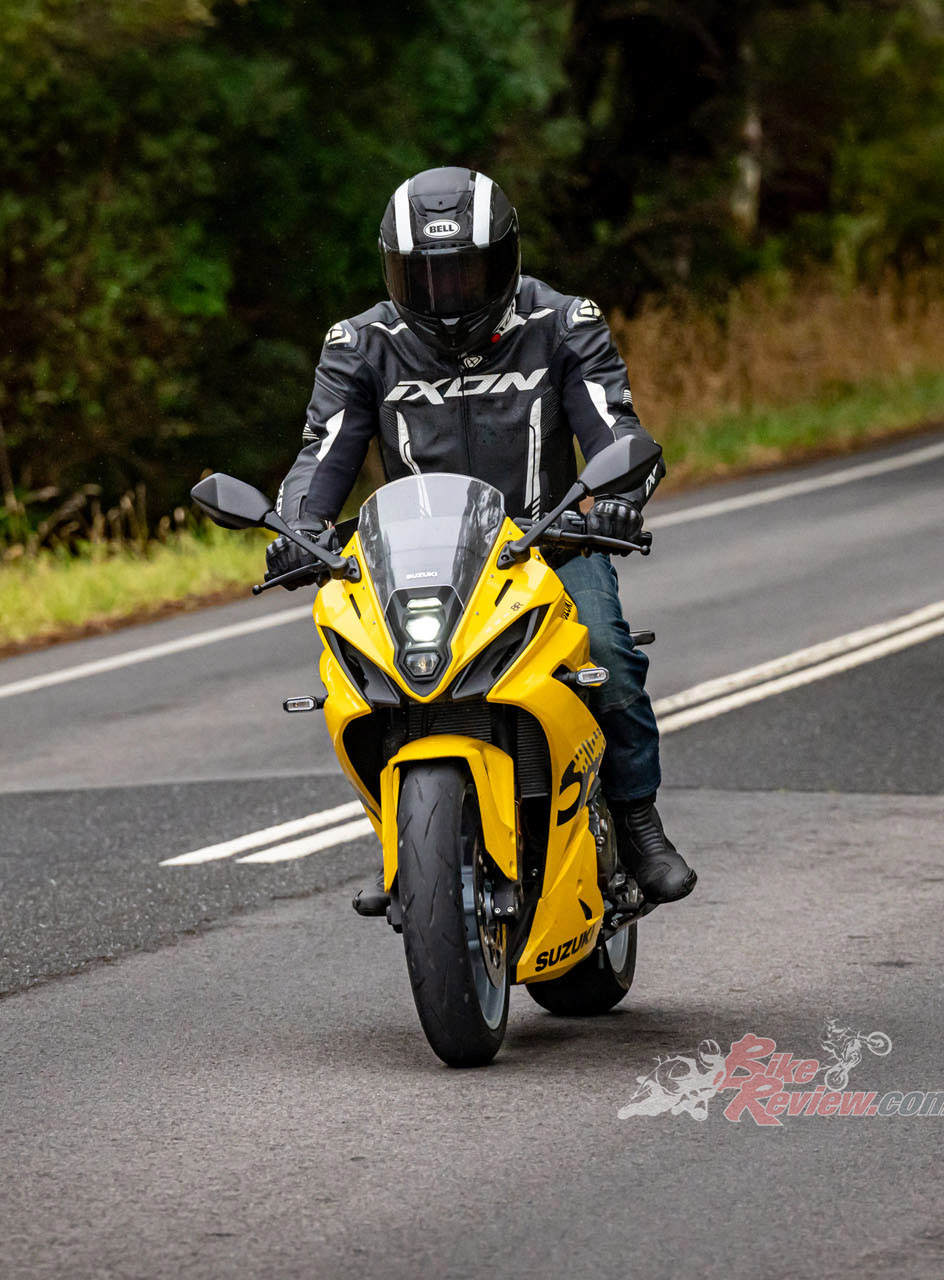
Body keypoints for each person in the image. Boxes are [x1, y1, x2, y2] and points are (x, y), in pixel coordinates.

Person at [267, 166, 696, 905]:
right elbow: (322, 454)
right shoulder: (361, 344)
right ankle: (404, 842)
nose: (447, 297)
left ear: (507, 259)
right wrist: (298, 529)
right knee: (362, 683)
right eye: (425, 278)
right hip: (414, 561)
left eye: (465, 274)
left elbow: (620, 434)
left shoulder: (563, 323)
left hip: (548, 546)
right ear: (392, 272)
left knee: (606, 651)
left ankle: (637, 820)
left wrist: (618, 501)